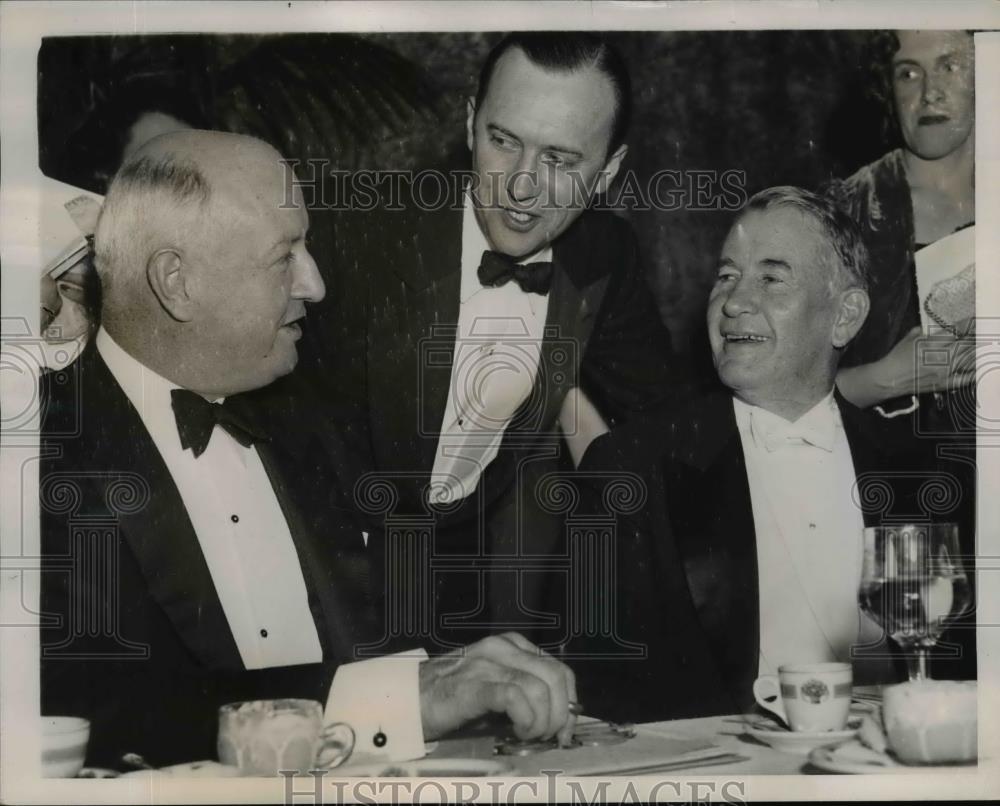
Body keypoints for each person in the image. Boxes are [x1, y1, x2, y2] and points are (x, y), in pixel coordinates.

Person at [39, 130, 578, 770]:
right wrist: (398, 699)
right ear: (176, 283)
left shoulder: (315, 422)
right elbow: (93, 709)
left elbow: (399, 637)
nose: (316, 284)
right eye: (285, 255)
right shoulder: (38, 448)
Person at [322, 33, 676, 646]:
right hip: (337, 593)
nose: (520, 185)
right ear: (469, 122)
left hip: (487, 610)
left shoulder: (605, 257)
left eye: (560, 161)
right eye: (503, 140)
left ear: (610, 171)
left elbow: (663, 426)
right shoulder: (359, 237)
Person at [569, 187, 973, 723]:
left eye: (771, 278)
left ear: (845, 317)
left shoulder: (927, 471)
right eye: (726, 275)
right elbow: (601, 694)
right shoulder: (631, 467)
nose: (734, 302)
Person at [828, 30, 975, 423]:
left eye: (950, 66)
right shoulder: (846, 210)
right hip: (891, 473)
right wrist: (887, 379)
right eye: (909, 73)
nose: (930, 93)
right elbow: (776, 395)